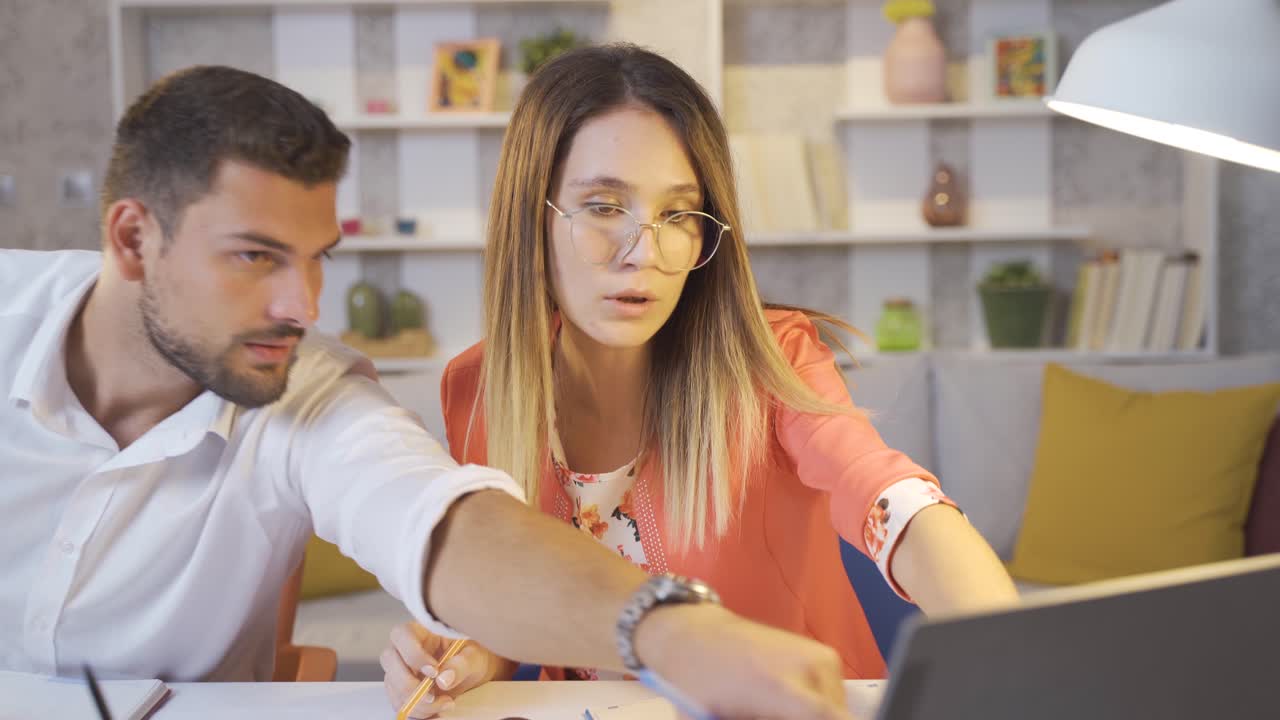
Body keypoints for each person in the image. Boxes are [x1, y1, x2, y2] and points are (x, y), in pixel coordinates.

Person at [0, 65, 857, 720]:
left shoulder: (305, 391)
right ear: (132, 238)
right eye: (256, 256)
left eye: (318, 257)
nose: (304, 307)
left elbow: (447, 524)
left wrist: (673, 629)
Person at [383, 44, 1020, 717]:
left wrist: (1015, 657)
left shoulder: (772, 358)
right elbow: (518, 597)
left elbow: (890, 500)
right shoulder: (477, 388)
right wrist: (471, 655)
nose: (646, 254)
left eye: (679, 215)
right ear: (532, 219)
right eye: (603, 206)